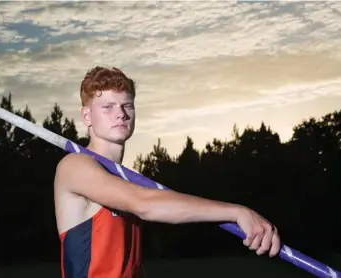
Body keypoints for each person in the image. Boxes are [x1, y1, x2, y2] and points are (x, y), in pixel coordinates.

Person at [54, 66, 281, 278]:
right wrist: (237, 212)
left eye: (127, 105)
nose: (121, 114)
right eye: (108, 107)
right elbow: (145, 205)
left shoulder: (127, 180)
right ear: (86, 117)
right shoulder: (74, 166)